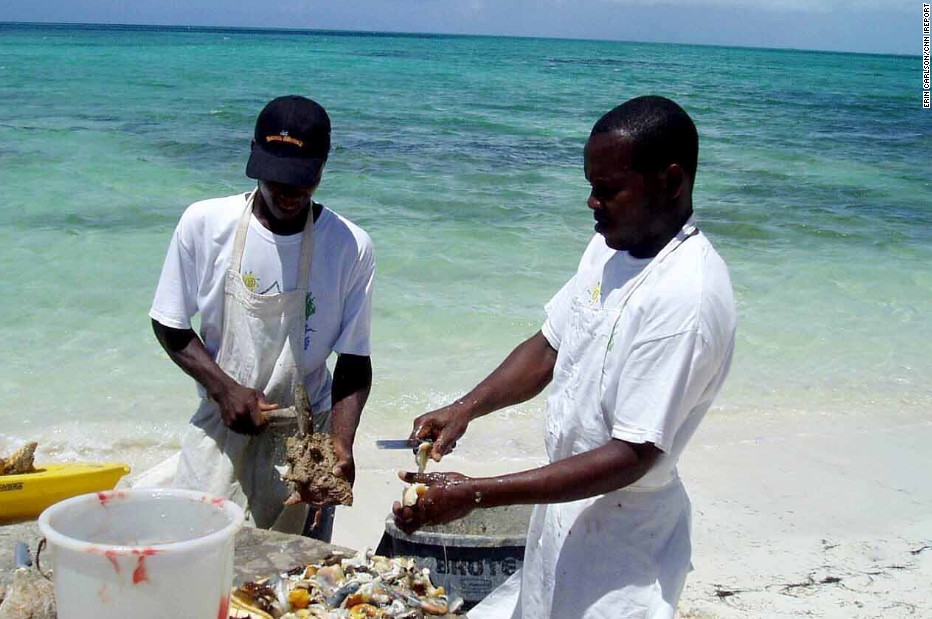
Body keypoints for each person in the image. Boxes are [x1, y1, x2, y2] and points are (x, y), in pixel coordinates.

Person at [392, 96, 736, 618]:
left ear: (670, 181)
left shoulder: (685, 297)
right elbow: (550, 345)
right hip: (562, 516)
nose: (593, 203)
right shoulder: (609, 246)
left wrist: (477, 495)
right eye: (590, 188)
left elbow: (630, 456)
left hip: (624, 545)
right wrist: (464, 408)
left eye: (608, 190)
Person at [144, 95, 374, 542]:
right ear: (252, 155)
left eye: (301, 181)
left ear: (322, 169)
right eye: (275, 178)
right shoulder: (204, 223)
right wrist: (223, 388)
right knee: (199, 556)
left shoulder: (350, 246)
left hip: (306, 439)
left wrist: (339, 445)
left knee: (293, 579)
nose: (287, 193)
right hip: (222, 426)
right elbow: (169, 322)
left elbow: (354, 362)